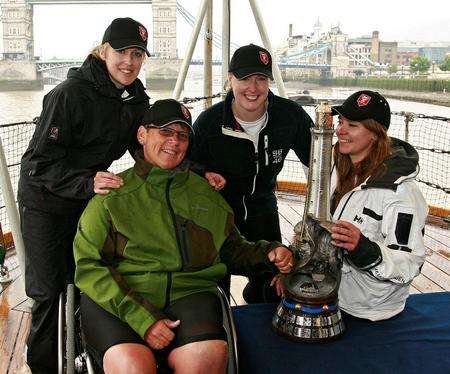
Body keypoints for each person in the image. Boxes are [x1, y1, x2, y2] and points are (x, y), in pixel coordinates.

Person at [73, 99, 294, 374]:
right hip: (119, 299)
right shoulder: (112, 197)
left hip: (188, 294)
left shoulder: (204, 195)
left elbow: (230, 249)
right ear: (142, 135)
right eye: (165, 132)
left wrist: (268, 252)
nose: (174, 142)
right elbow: (89, 267)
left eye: (182, 135)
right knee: (131, 366)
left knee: (207, 356)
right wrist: (144, 320)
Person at [17, 17, 150, 373]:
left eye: (138, 54)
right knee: (48, 293)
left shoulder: (134, 100)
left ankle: (83, 355)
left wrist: (193, 173)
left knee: (89, 281)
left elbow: (149, 150)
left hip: (88, 202)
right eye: (122, 52)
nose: (130, 62)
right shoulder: (68, 95)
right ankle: (43, 366)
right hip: (45, 202)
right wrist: (87, 181)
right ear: (104, 50)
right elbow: (36, 166)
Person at [190, 43, 313, 303]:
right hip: (219, 214)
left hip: (263, 209)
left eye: (261, 79)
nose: (253, 88)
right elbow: (187, 168)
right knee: (214, 291)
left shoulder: (290, 117)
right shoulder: (210, 123)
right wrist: (203, 172)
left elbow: (320, 163)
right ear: (230, 79)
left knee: (272, 287)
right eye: (244, 79)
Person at [329, 90, 427, 321]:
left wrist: (363, 249)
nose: (340, 130)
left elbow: (410, 264)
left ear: (375, 133)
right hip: (336, 296)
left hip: (372, 310)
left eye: (352, 125)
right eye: (341, 121)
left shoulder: (400, 193)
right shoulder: (340, 166)